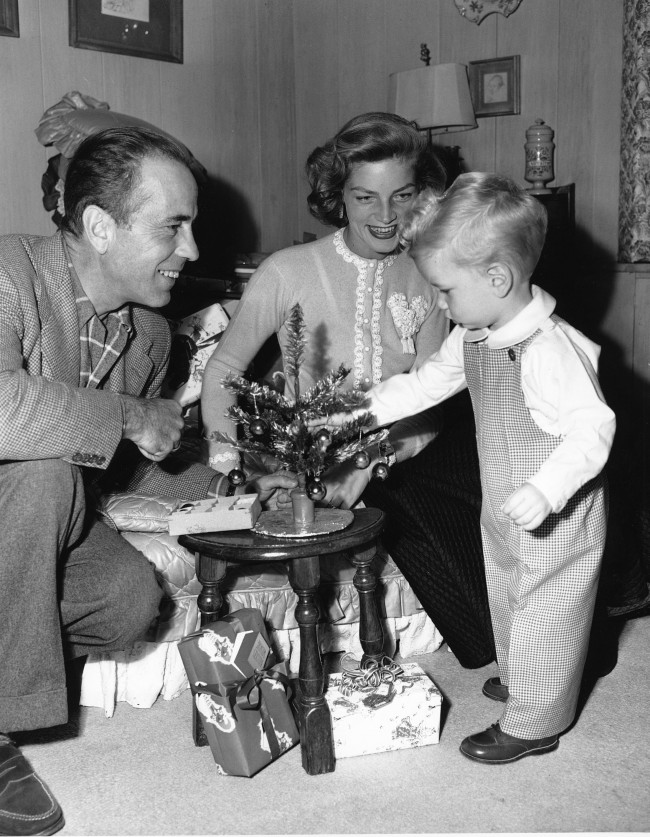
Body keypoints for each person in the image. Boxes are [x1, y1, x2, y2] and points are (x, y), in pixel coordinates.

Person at [0, 126, 296, 836]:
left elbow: (125, 471)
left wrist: (240, 485)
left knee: (131, 598)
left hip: (25, 536)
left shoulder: (151, 336)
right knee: (44, 475)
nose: (192, 250)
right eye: (174, 227)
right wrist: (131, 414)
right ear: (100, 226)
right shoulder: (8, 272)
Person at [320, 172, 616, 763]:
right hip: (503, 501)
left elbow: (594, 428)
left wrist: (547, 489)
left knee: (545, 609)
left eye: (446, 290)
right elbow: (424, 386)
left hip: (555, 509)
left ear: (497, 277)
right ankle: (527, 677)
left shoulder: (552, 349)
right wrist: (358, 414)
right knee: (505, 590)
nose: (439, 303)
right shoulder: (477, 335)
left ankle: (537, 721)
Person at [201, 111, 450, 495]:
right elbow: (224, 368)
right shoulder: (286, 271)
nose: (386, 216)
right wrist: (228, 475)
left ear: (420, 195)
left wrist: (369, 462)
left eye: (401, 195)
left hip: (401, 459)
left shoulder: (433, 274)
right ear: (339, 196)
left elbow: (434, 402)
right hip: (304, 462)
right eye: (365, 197)